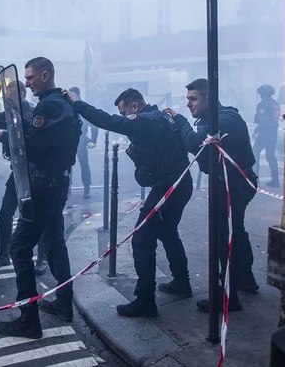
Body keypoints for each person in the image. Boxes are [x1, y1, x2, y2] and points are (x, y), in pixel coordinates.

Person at [64, 87, 193, 318]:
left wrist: (77, 105)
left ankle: (145, 300)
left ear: (135, 106)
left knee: (142, 239)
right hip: (179, 184)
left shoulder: (145, 120)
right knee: (167, 232)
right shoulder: (160, 117)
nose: (124, 117)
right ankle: (182, 282)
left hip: (168, 186)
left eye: (125, 112)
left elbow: (108, 121)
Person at [0, 57, 80, 339]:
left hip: (44, 187)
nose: (28, 82)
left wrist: (5, 135)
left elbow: (31, 144)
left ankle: (28, 320)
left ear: (45, 76)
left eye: (31, 77)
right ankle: (64, 305)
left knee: (19, 249)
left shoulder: (49, 106)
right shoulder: (62, 103)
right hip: (56, 185)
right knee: (55, 244)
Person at [165, 78, 259, 313]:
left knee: (222, 237)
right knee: (235, 230)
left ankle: (228, 297)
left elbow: (195, 142)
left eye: (193, 99)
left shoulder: (222, 119)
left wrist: (180, 120)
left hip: (233, 184)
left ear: (208, 97)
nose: (189, 104)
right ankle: (244, 278)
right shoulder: (219, 117)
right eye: (187, 99)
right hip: (235, 182)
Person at [0, 80, 48, 275]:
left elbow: (24, 139)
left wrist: (1, 135)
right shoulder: (10, 112)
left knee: (36, 215)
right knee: (6, 213)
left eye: (12, 95)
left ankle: (42, 258)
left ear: (22, 95)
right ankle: (2, 255)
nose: (9, 99)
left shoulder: (31, 112)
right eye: (7, 96)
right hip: (17, 170)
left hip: (32, 172)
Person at [67, 87, 98, 199]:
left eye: (73, 95)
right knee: (68, 165)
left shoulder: (82, 107)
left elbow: (93, 125)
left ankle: (86, 188)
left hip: (80, 139)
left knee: (84, 164)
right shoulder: (68, 107)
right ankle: (68, 188)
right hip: (70, 140)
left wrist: (93, 140)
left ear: (78, 95)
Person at [252, 84, 280, 188]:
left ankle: (254, 178)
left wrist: (255, 132)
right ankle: (275, 180)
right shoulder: (275, 104)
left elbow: (263, 121)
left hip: (264, 132)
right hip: (273, 133)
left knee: (255, 152)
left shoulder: (262, 105)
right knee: (270, 155)